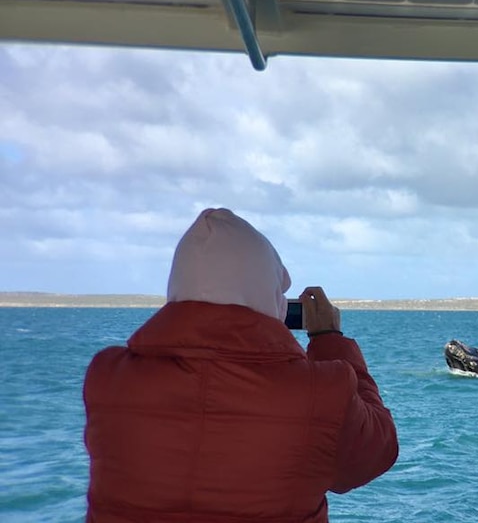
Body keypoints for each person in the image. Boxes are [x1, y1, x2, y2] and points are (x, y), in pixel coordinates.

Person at [83, 208, 398, 523]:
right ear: (270, 294)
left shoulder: (107, 376)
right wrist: (330, 340)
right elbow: (373, 454)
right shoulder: (320, 392)